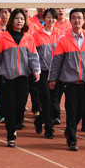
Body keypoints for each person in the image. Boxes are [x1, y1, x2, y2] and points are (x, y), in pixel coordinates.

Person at [49, 8, 85, 151]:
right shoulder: (63, 39)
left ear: (84, 20)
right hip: (69, 81)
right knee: (71, 110)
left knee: (83, 109)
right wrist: (52, 78)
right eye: (74, 17)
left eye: (79, 18)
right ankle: (72, 139)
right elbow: (57, 61)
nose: (77, 20)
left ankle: (69, 130)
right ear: (70, 20)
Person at [0, 8, 40, 148]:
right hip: (7, 77)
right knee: (9, 106)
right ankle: (10, 134)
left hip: (23, 77)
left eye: (22, 19)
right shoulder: (3, 38)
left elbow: (33, 57)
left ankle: (16, 123)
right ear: (12, 20)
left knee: (20, 105)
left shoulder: (28, 38)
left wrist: (36, 71)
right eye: (17, 18)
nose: (19, 21)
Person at [32, 8, 60, 138]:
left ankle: (39, 120)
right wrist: (35, 70)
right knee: (46, 100)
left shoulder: (60, 34)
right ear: (44, 19)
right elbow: (32, 54)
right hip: (42, 72)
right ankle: (49, 128)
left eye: (53, 18)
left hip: (56, 73)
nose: (51, 20)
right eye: (48, 17)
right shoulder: (36, 35)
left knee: (54, 101)